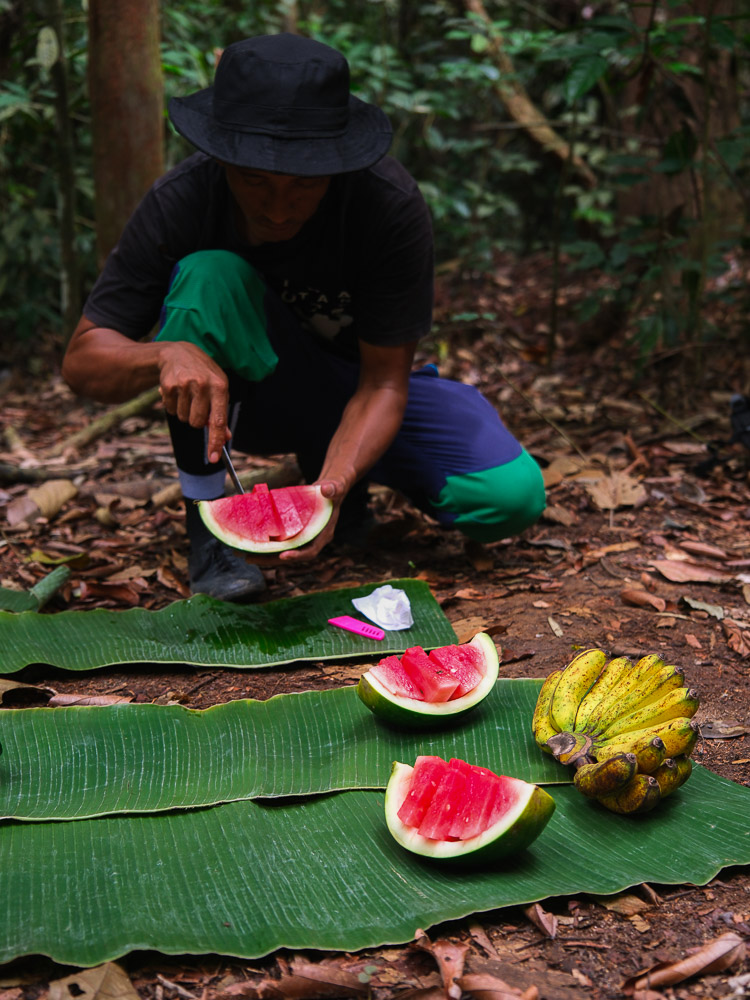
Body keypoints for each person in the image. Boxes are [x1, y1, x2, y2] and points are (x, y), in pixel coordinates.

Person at [62, 32, 546, 602]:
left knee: (510, 495)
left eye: (304, 184)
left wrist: (333, 488)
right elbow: (82, 360)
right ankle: (207, 528)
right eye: (254, 180)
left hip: (358, 391)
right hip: (249, 401)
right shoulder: (183, 199)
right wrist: (163, 352)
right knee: (209, 274)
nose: (276, 206)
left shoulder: (386, 204)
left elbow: (385, 383)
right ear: (222, 160)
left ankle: (340, 476)